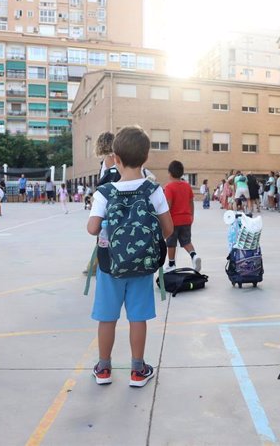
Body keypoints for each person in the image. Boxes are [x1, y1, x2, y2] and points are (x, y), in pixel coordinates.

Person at [87, 126, 174, 387]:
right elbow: (168, 229)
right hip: (143, 265)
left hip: (110, 265)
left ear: (116, 158)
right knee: (138, 317)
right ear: (146, 158)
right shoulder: (154, 190)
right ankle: (137, 369)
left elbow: (92, 228)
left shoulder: (104, 192)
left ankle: (104, 368)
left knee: (107, 317)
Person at [164, 160, 202, 272]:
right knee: (186, 241)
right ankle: (194, 256)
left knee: (171, 243)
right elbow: (191, 202)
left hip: (173, 221)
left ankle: (171, 264)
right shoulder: (187, 186)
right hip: (186, 219)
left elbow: (168, 205)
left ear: (169, 173)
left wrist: (164, 219)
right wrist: (191, 216)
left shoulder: (169, 187)